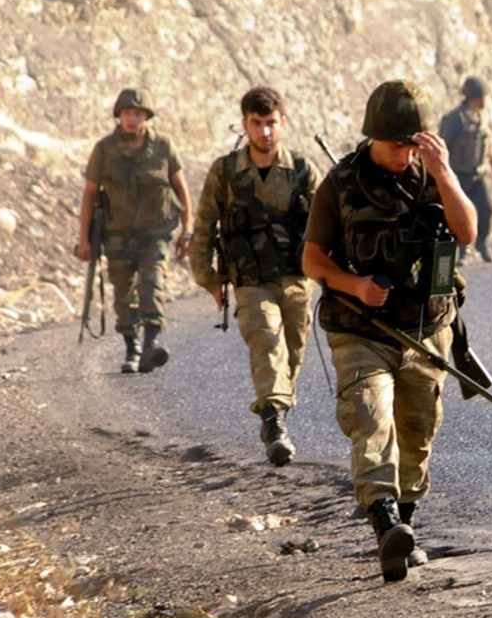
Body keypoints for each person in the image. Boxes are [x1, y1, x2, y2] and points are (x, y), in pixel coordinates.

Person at [302, 80, 477, 582]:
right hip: (361, 328)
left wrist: (443, 171)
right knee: (371, 417)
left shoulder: (432, 177)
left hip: (426, 329)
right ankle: (384, 523)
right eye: (398, 144)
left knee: (418, 432)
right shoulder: (340, 184)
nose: (405, 154)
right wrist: (353, 284)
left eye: (413, 144)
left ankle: (405, 527)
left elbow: (467, 232)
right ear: (374, 136)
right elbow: (312, 260)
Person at [188, 86, 322, 467]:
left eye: (271, 124)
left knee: (292, 354)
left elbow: (329, 223)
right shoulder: (226, 171)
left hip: (297, 279)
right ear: (245, 123)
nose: (265, 132)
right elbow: (203, 228)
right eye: (257, 124)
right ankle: (274, 424)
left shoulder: (301, 170)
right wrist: (209, 280)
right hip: (250, 280)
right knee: (266, 340)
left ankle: (277, 413)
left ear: (283, 124)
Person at [76, 88, 193, 374]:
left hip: (155, 233)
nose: (132, 119)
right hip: (117, 235)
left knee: (152, 283)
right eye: (127, 113)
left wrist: (187, 230)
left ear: (147, 117)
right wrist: (83, 240)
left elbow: (181, 188)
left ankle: (151, 343)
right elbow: (90, 195)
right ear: (119, 116)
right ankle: (132, 347)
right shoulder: (104, 149)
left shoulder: (163, 147)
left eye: (138, 113)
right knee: (123, 294)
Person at [439, 76, 492, 263]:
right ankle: (461, 251)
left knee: (487, 209)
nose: (485, 101)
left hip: (478, 174)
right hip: (459, 175)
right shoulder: (455, 118)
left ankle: (481, 241)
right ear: (473, 97)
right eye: (482, 96)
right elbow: (443, 145)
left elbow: (487, 145)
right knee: (460, 214)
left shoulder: (481, 117)